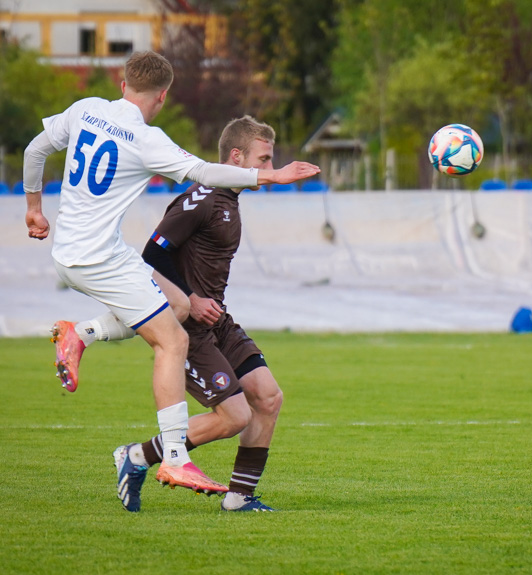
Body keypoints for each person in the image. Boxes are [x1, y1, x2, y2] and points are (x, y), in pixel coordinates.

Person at [23, 51, 320, 506]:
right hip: (95, 256)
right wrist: (271, 176)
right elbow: (202, 171)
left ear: (123, 85)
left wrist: (33, 208)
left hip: (85, 249)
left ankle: (81, 332)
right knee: (173, 340)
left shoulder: (86, 110)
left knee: (181, 313)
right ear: (162, 97)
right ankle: (174, 455)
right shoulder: (148, 140)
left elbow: (34, 149)